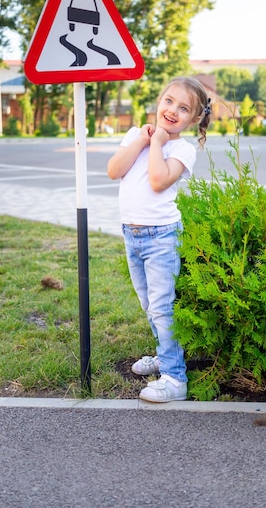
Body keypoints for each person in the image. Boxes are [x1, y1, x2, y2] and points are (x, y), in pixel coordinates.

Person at [107, 77, 211, 402]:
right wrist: (142, 139)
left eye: (183, 108)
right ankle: (164, 355)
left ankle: (174, 379)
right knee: (148, 305)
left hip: (161, 236)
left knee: (163, 308)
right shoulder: (136, 135)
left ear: (194, 119)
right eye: (168, 101)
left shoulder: (182, 148)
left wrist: (157, 143)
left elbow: (157, 181)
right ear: (159, 101)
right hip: (131, 234)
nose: (172, 110)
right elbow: (114, 170)